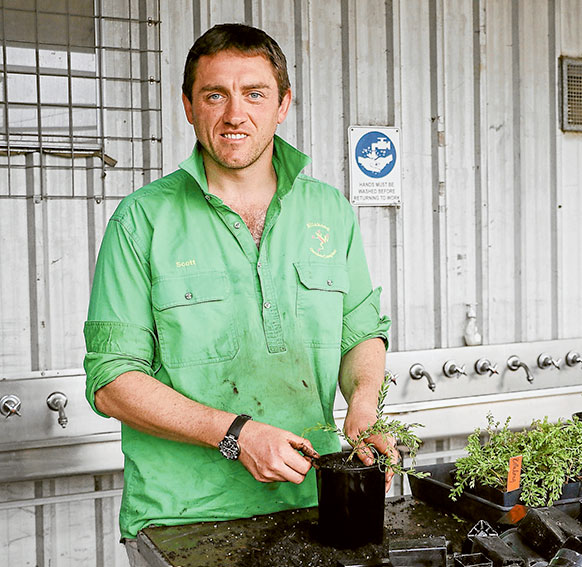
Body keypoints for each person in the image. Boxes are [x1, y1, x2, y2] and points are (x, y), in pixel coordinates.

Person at [83, 23, 393, 563]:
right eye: (214, 95)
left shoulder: (329, 211)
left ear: (283, 104)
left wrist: (363, 406)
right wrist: (237, 434)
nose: (234, 114)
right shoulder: (142, 220)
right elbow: (113, 382)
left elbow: (360, 334)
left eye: (254, 93)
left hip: (312, 504)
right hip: (185, 518)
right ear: (188, 105)